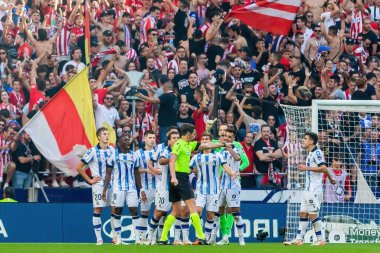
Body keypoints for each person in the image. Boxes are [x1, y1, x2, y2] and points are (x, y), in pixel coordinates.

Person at [157, 123, 230, 245]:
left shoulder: (188, 145)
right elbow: (172, 161)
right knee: (192, 208)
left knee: (175, 211)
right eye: (193, 134)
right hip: (180, 178)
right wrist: (174, 177)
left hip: (179, 178)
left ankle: (163, 238)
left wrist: (222, 144)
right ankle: (201, 237)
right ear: (188, 134)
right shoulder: (179, 144)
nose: (195, 136)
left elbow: (207, 145)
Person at [284, 131, 336, 246]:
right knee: (303, 213)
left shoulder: (317, 153)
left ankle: (321, 239)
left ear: (311, 141)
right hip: (307, 189)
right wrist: (331, 179)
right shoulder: (311, 153)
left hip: (314, 190)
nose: (303, 140)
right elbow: (325, 169)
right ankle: (298, 239)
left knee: (312, 214)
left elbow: (323, 167)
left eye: (305, 138)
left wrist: (306, 168)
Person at [190, 132, 236, 244]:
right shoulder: (196, 157)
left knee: (210, 215)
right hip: (200, 190)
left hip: (214, 190)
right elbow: (189, 170)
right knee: (197, 212)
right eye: (203, 139)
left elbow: (225, 166)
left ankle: (205, 238)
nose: (205, 141)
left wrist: (232, 174)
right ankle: (200, 235)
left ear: (211, 142)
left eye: (207, 139)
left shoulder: (218, 155)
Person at [75, 127, 115, 245]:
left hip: (111, 184)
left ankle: (115, 237)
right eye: (104, 134)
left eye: (107, 134)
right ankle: (99, 238)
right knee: (98, 209)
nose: (107, 136)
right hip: (98, 185)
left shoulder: (112, 150)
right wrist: (89, 180)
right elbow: (79, 167)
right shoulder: (92, 151)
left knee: (114, 209)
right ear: (99, 137)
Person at [102, 134, 142, 245]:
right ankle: (118, 238)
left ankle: (138, 239)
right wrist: (104, 190)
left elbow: (137, 173)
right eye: (125, 140)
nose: (128, 141)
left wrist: (141, 190)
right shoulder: (113, 156)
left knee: (134, 211)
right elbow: (108, 174)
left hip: (132, 188)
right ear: (119, 143)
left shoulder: (134, 156)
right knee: (117, 211)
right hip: (117, 188)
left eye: (129, 140)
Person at [212, 127, 246, 246]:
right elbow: (222, 167)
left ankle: (241, 240)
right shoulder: (221, 152)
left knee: (235, 212)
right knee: (218, 211)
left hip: (233, 186)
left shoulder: (237, 148)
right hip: (222, 186)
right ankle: (214, 238)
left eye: (229, 137)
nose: (226, 138)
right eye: (225, 136)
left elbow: (238, 159)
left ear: (234, 138)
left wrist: (229, 148)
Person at [146, 130, 180, 245]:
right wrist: (173, 158)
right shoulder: (165, 151)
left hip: (178, 187)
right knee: (159, 212)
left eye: (177, 137)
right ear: (169, 141)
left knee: (174, 213)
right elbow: (160, 161)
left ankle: (163, 238)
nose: (176, 140)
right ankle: (149, 236)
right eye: (174, 138)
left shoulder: (183, 150)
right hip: (164, 187)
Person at [135, 130, 158, 243]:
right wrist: (146, 170)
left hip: (159, 187)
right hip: (145, 187)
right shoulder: (138, 153)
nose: (152, 140)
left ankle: (154, 238)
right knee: (144, 213)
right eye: (150, 137)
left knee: (160, 212)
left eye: (153, 137)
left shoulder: (158, 151)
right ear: (144, 139)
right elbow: (135, 171)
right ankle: (142, 238)